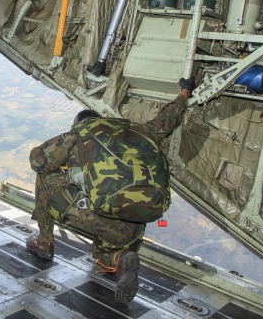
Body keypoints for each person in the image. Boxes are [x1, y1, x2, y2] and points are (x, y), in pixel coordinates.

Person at [26, 77, 196, 304]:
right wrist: (185, 92)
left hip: (98, 215)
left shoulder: (78, 134)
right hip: (135, 223)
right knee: (109, 251)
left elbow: (38, 161)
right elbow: (168, 119)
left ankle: (44, 242)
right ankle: (121, 258)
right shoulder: (142, 130)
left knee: (45, 177)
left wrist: (69, 166)